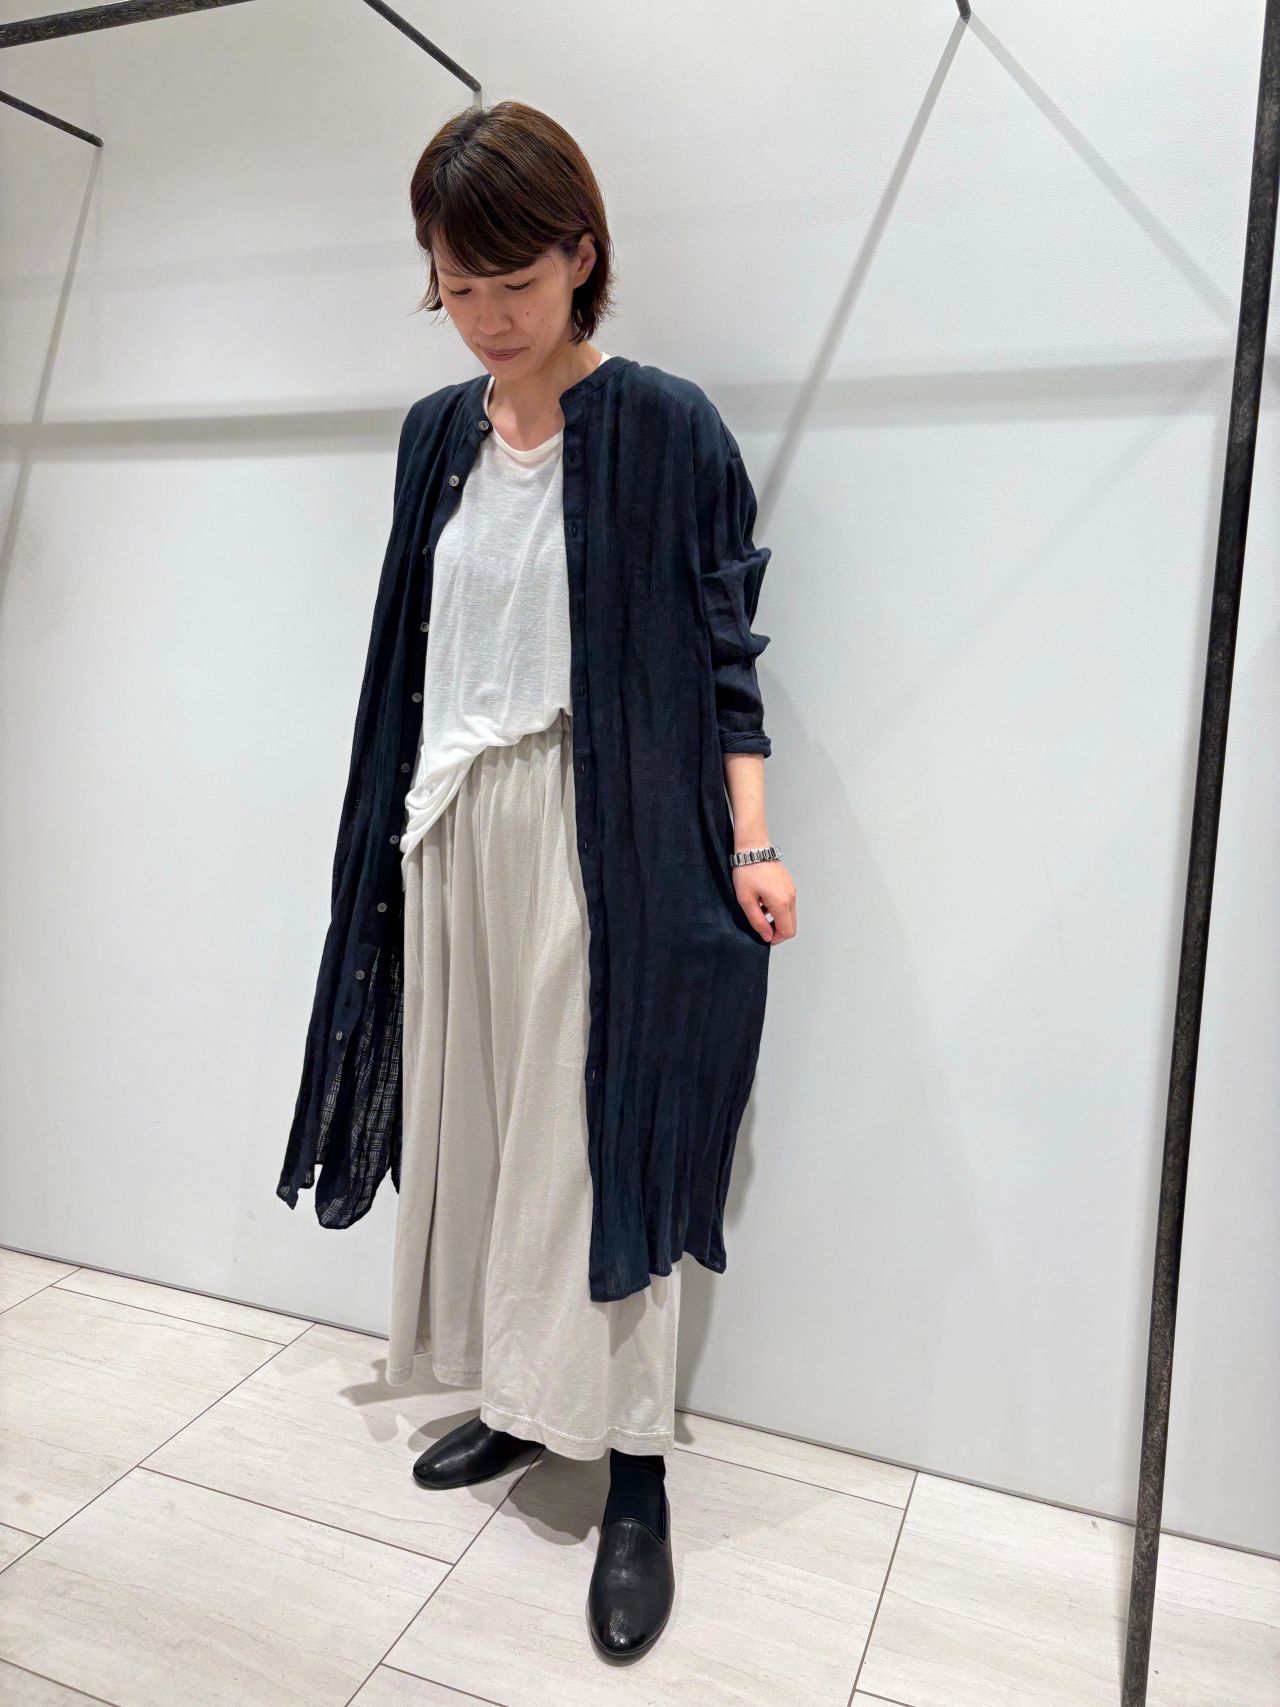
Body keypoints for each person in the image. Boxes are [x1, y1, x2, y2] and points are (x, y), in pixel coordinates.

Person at [281, 99, 796, 1663]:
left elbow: (725, 655)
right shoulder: (436, 435)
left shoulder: (666, 427)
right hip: (449, 830)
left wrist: (754, 841)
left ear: (582, 256)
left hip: (603, 834)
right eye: (459, 285)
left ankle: (632, 1469)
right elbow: (416, 650)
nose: (489, 316)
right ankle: (518, 1402)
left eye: (515, 281)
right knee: (490, 1137)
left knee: (593, 1150)